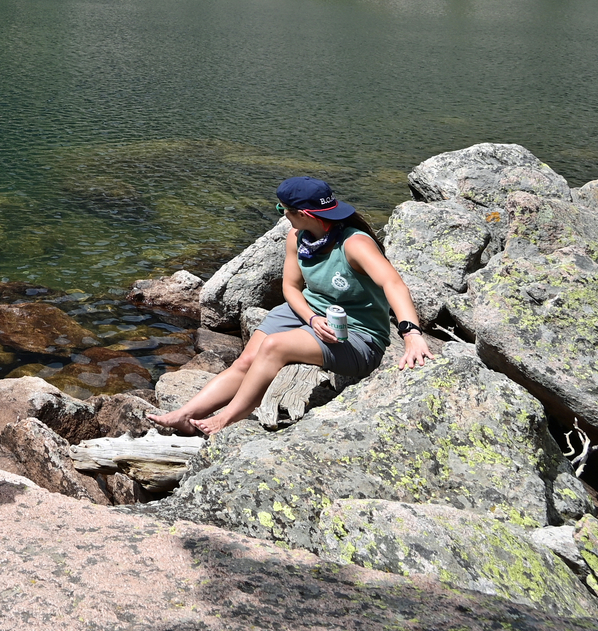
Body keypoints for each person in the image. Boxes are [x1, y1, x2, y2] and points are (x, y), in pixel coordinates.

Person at [151, 177, 434, 437]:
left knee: (274, 346)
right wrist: (311, 318)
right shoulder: (297, 237)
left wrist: (411, 335)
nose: (282, 214)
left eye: (281, 208)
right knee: (246, 361)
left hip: (358, 334)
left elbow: (394, 284)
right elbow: (290, 287)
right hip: (307, 312)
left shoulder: (354, 244)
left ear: (305, 214)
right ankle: (185, 415)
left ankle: (226, 419)